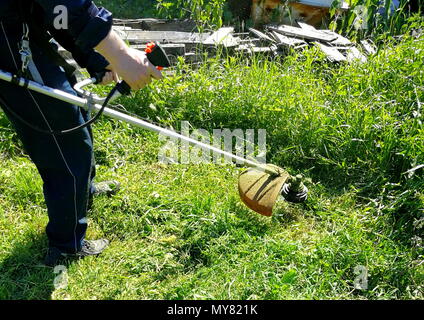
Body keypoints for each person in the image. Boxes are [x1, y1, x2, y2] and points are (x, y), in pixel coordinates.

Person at [0, 0, 163, 266]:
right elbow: (64, 3)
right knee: (63, 138)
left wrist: (98, 58)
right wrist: (120, 55)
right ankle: (65, 245)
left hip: (22, 25)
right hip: (9, 39)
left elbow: (58, 13)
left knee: (73, 106)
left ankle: (82, 192)